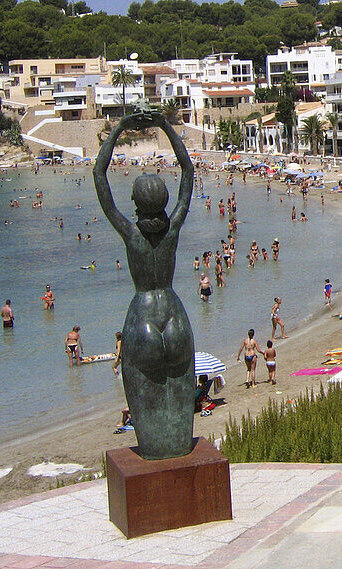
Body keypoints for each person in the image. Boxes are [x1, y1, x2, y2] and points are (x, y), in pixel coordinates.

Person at [94, 109, 197, 461]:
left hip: (143, 311)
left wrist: (121, 127)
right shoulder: (173, 228)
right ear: (164, 201)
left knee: (146, 391)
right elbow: (187, 171)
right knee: (178, 388)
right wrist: (165, 125)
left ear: (136, 203)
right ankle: (179, 445)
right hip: (173, 311)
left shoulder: (131, 233)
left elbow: (99, 176)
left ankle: (155, 449)